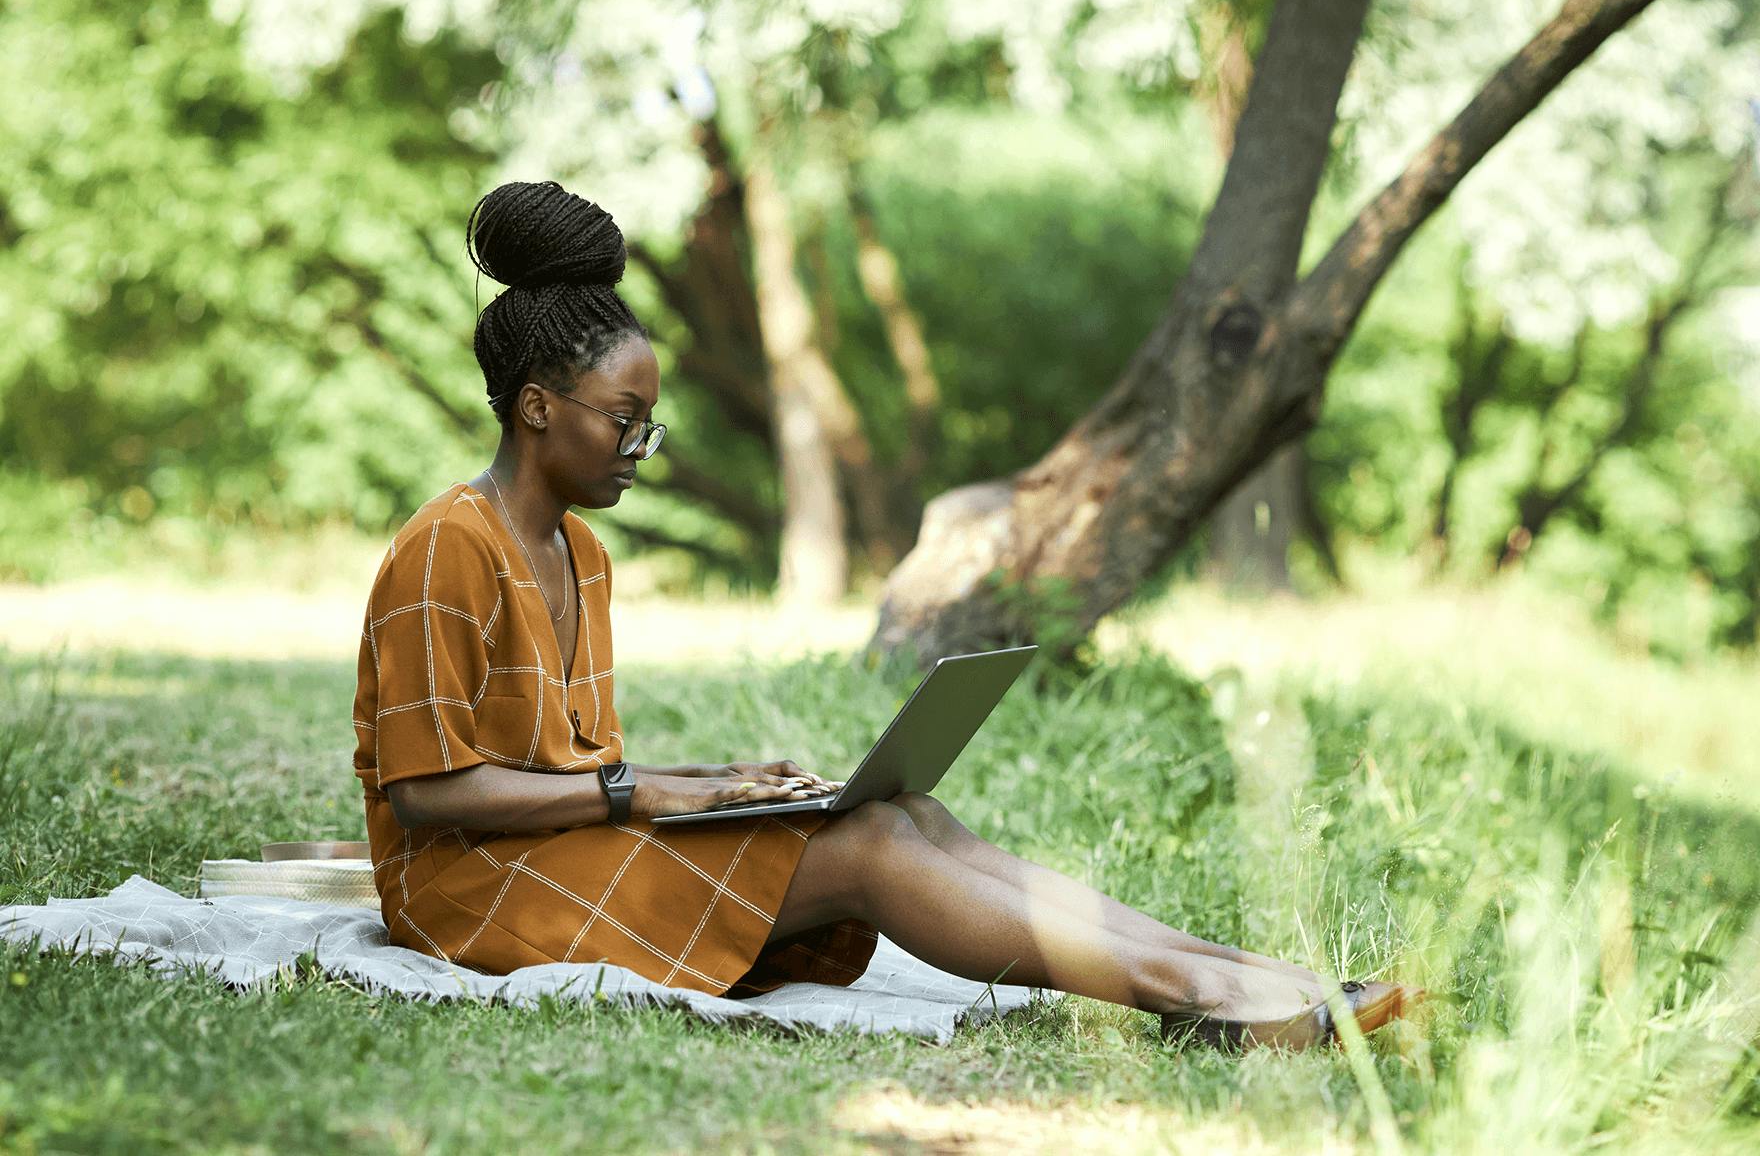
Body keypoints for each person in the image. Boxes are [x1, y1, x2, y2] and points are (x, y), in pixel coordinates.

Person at [350, 180, 1420, 1049]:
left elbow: (571, 778)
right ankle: (1199, 1001)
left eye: (648, 426)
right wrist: (658, 792)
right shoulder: (447, 545)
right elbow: (433, 795)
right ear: (537, 407)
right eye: (622, 422)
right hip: (462, 892)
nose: (639, 449)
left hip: (558, 854)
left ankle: (1245, 975)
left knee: (904, 817)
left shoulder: (579, 552)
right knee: (865, 852)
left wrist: (714, 793)